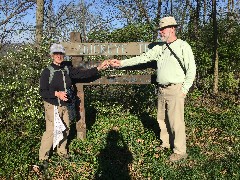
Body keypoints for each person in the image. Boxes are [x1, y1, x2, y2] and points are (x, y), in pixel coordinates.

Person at [110, 16, 196, 162]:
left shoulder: (183, 46)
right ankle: (166, 143)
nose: (161, 32)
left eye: (163, 29)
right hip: (161, 89)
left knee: (176, 122)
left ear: (173, 29)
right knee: (162, 119)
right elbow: (142, 58)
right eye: (160, 30)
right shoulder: (159, 47)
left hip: (176, 89)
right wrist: (121, 63)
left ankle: (180, 151)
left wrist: (184, 90)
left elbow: (191, 69)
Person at [37, 43, 109, 169]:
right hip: (52, 104)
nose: (59, 56)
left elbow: (83, 74)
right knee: (51, 130)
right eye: (56, 54)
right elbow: (42, 92)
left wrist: (99, 68)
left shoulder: (67, 69)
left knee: (65, 128)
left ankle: (62, 152)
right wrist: (56, 93)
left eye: (61, 53)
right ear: (52, 55)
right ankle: (43, 157)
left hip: (65, 104)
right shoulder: (47, 71)